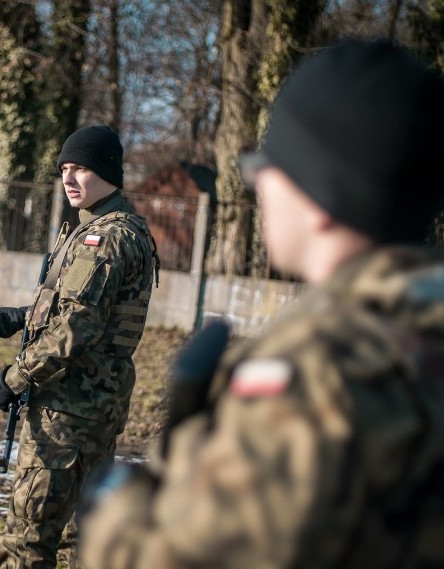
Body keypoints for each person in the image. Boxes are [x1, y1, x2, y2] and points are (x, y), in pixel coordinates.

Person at [78, 39, 444, 569]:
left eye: (268, 165)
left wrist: (135, 491)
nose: (257, 185)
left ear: (323, 193)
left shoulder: (320, 368)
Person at [0, 125, 160, 568]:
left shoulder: (105, 238)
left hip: (68, 411)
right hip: (93, 408)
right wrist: (21, 316)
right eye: (64, 168)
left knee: (28, 540)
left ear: (107, 171)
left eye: (80, 168)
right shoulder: (102, 228)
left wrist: (13, 379)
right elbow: (83, 308)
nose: (69, 178)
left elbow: (78, 326)